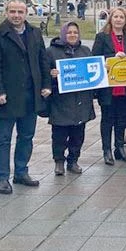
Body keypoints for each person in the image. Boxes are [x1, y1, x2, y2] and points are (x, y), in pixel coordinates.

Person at [0, 0, 51, 194]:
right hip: (7, 95)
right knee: (3, 138)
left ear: (26, 13)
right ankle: (2, 177)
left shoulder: (34, 33)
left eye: (20, 12)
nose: (16, 15)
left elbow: (43, 60)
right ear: (6, 12)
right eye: (13, 11)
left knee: (26, 136)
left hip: (31, 94)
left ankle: (21, 171)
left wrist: (46, 85)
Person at [46, 22, 95, 175]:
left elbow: (92, 70)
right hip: (61, 100)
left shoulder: (85, 50)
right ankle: (59, 161)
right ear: (63, 34)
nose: (72, 35)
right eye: (69, 32)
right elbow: (43, 71)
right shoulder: (51, 52)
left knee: (78, 133)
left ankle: (73, 160)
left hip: (81, 99)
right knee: (59, 133)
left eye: (75, 32)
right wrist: (51, 74)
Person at [92, 7, 126, 164]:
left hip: (125, 86)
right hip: (108, 87)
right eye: (115, 17)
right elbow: (95, 59)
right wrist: (112, 57)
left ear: (125, 20)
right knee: (107, 119)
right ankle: (106, 150)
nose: (118, 19)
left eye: (121, 17)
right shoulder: (101, 37)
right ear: (110, 19)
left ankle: (119, 147)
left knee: (121, 119)